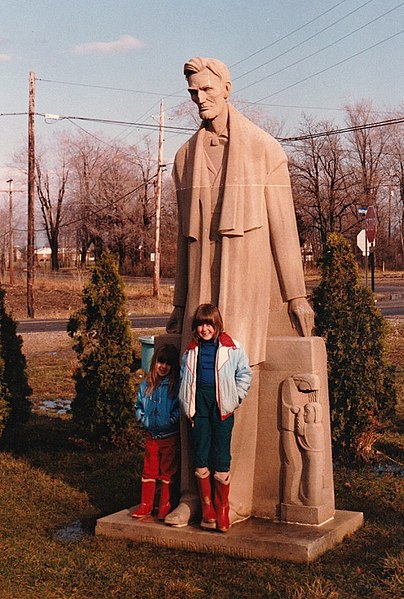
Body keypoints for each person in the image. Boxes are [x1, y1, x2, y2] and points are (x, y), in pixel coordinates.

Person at [165, 56, 314, 528]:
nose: (200, 99)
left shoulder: (264, 150)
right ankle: (192, 493)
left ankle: (236, 496)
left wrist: (296, 295)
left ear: (227, 87)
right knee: (195, 383)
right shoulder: (185, 157)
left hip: (245, 278)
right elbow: (184, 241)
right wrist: (175, 303)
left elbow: (283, 230)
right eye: (193, 93)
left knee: (235, 381)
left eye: (207, 90)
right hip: (201, 287)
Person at [179, 304, 252, 532]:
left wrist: (235, 398)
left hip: (222, 408)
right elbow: (184, 377)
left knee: (221, 455)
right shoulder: (191, 351)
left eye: (209, 324)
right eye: (200, 324)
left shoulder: (232, 348)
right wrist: (187, 405)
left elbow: (245, 374)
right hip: (199, 406)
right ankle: (207, 506)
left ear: (217, 325)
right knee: (200, 454)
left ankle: (222, 508)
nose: (205, 329)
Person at [132, 344, 180, 520]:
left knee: (167, 472)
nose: (163, 366)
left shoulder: (174, 386)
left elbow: (178, 408)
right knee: (149, 471)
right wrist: (141, 417)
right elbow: (138, 405)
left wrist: (170, 421)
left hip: (169, 437)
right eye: (161, 361)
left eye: (168, 363)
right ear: (154, 362)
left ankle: (164, 505)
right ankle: (146, 504)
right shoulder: (146, 385)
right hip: (151, 436)